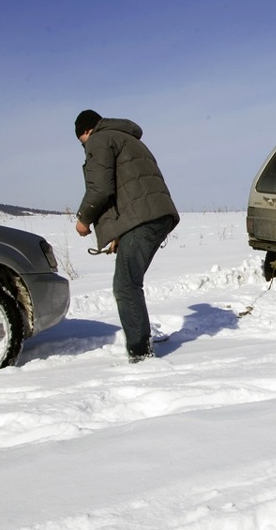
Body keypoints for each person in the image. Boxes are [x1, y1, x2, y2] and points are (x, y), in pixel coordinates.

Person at [73, 109, 180, 363]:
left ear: (87, 131)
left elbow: (100, 188)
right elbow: (132, 189)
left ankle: (140, 353)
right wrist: (120, 233)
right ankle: (141, 340)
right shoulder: (126, 138)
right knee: (130, 281)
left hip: (145, 218)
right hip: (156, 215)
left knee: (125, 285)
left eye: (81, 142)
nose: (84, 147)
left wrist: (83, 218)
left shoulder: (100, 139)